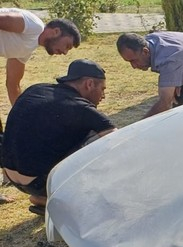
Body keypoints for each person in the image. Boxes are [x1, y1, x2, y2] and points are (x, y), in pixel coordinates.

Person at [2, 59, 116, 215]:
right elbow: (116, 140)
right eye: (102, 89)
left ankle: (43, 198)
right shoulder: (80, 107)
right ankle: (65, 199)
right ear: (89, 84)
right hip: (40, 181)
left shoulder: (36, 89)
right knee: (97, 137)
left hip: (12, 175)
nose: (103, 96)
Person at [0, 9, 80, 107]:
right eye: (67, 46)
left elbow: (13, 85)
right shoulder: (35, 26)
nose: (65, 52)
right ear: (56, 32)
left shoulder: (26, 50)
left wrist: (22, 113)